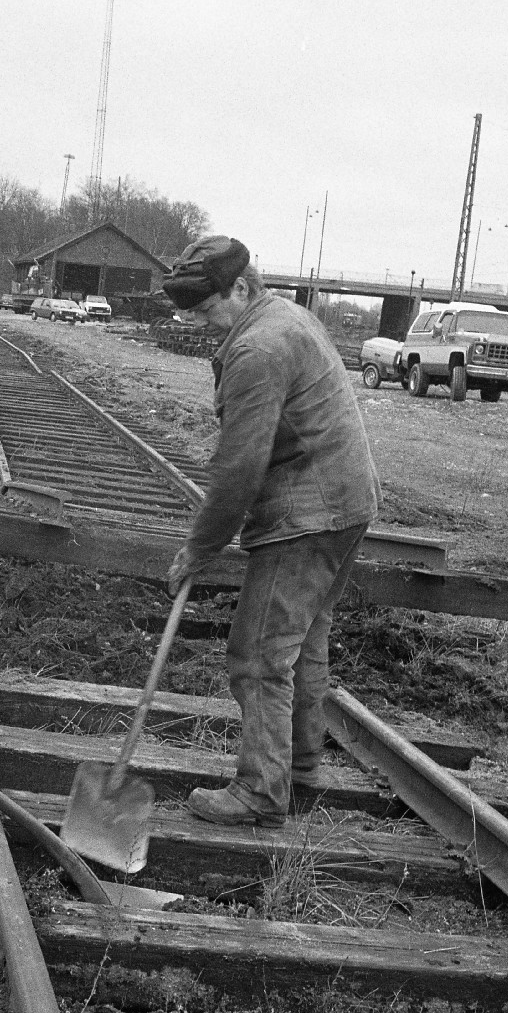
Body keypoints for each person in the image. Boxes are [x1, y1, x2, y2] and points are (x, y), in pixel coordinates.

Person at [162, 236, 381, 828]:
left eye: (209, 311)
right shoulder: (285, 317)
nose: (205, 324)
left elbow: (239, 465)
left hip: (306, 513)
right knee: (301, 644)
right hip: (345, 502)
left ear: (240, 288)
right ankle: (302, 771)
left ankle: (261, 792)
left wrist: (199, 547)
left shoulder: (257, 347)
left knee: (258, 655)